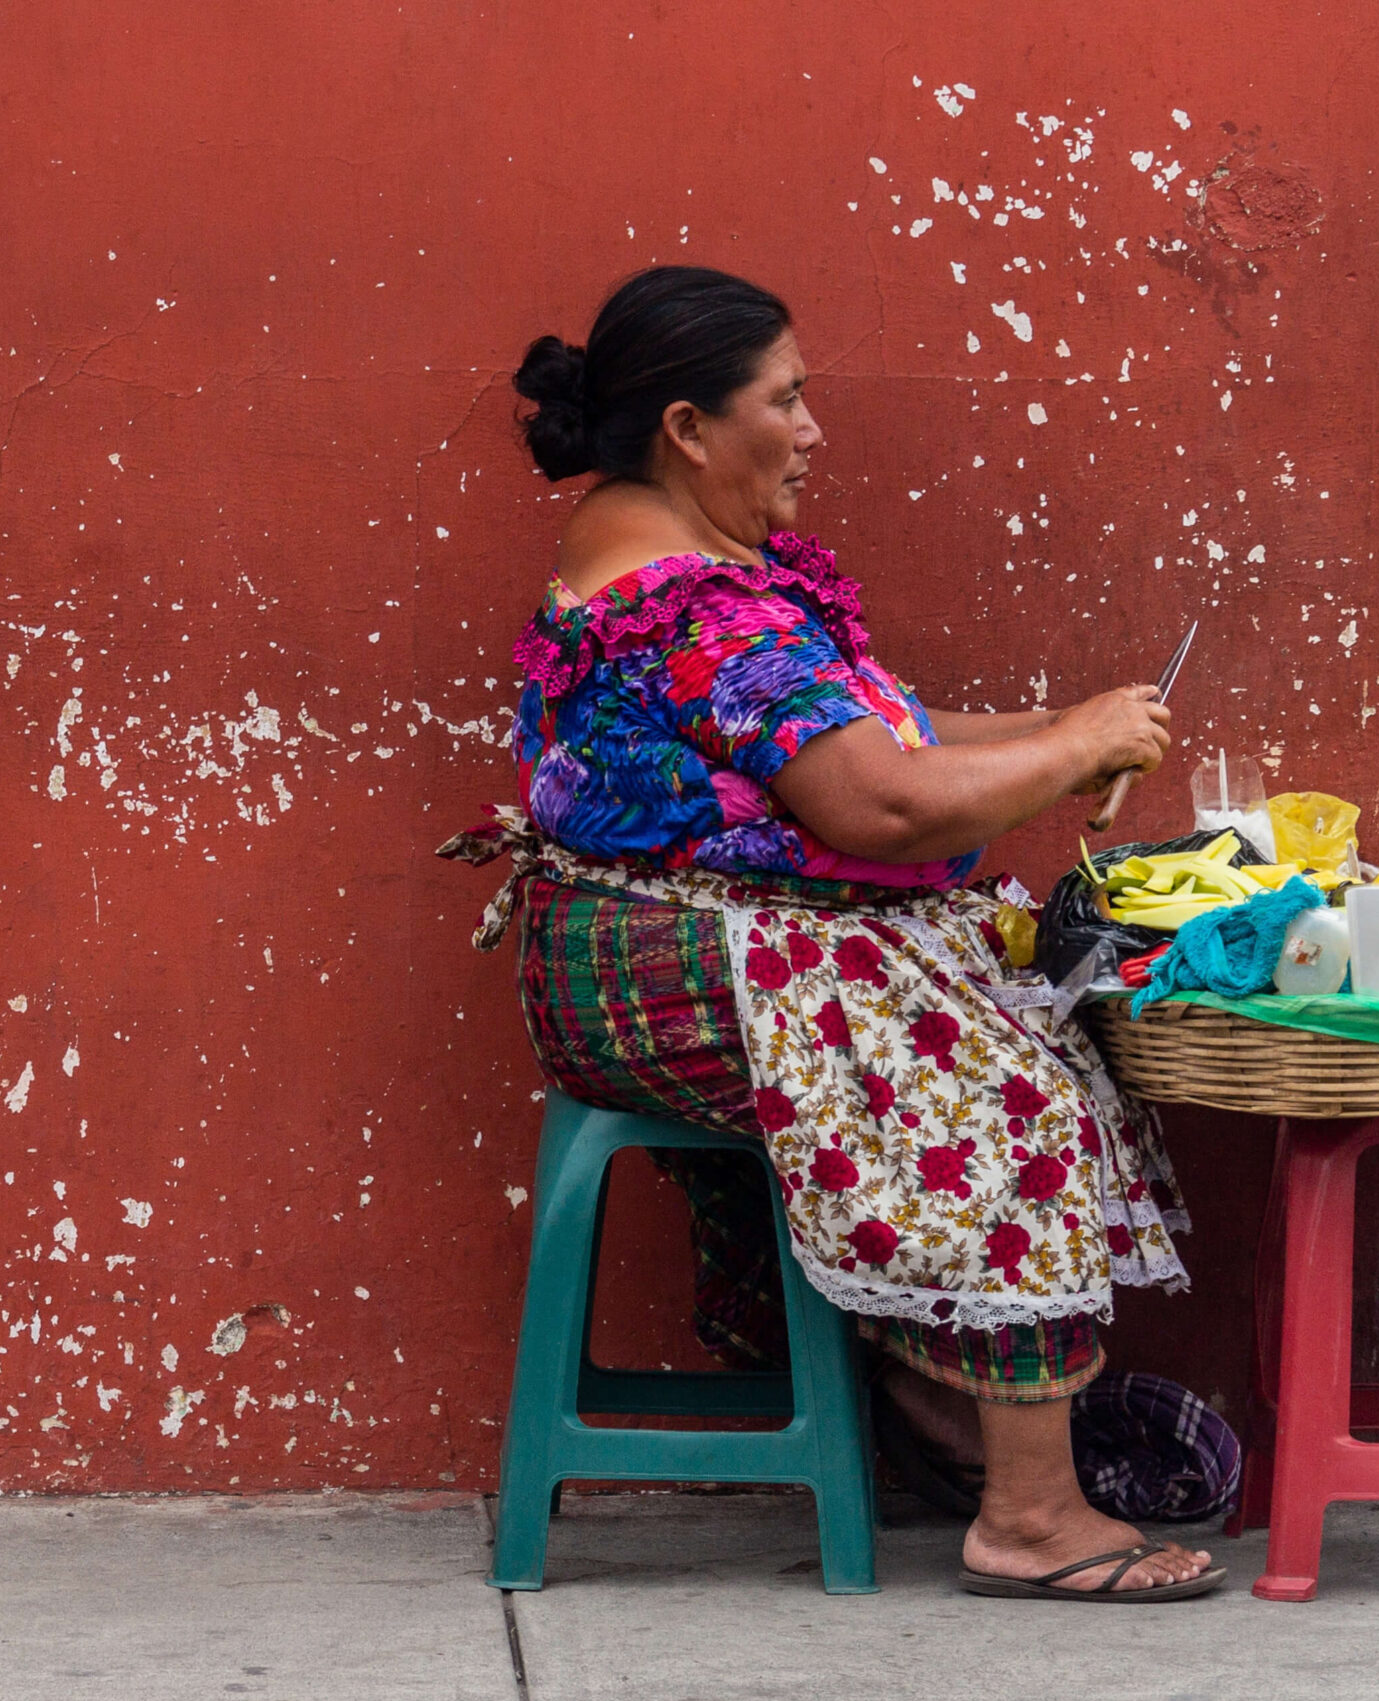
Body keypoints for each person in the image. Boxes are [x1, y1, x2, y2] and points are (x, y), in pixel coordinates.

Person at [446, 266, 1223, 1601]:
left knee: (1009, 1010)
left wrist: (1061, 737)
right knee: (1005, 1085)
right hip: (662, 971)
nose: (811, 430)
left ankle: (932, 1405)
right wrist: (1072, 745)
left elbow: (876, 734)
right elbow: (878, 803)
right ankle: (1028, 1514)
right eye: (786, 401)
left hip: (664, 948)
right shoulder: (693, 604)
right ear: (690, 426)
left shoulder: (682, 558)